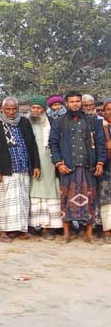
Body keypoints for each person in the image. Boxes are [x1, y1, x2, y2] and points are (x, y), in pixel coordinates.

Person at [49, 92, 105, 244]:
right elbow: (53, 144)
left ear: (81, 103)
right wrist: (59, 163)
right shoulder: (58, 122)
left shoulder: (93, 121)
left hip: (89, 167)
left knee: (90, 201)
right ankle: (66, 234)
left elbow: (100, 143)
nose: (75, 104)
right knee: (66, 200)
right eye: (71, 101)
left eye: (77, 101)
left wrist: (100, 162)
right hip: (68, 168)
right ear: (66, 103)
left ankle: (89, 235)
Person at [0, 97, 41, 243]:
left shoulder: (24, 122)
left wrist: (36, 165)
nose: (11, 112)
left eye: (14, 109)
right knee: (5, 201)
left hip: (23, 167)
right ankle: (3, 231)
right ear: (2, 109)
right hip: (5, 170)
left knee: (22, 200)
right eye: (8, 109)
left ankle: (22, 230)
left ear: (18, 109)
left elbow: (32, 144)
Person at [26, 96, 62, 240]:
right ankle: (31, 226)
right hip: (30, 163)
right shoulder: (24, 123)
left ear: (44, 109)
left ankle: (47, 228)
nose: (35, 110)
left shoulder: (52, 123)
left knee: (49, 192)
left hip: (49, 163)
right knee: (31, 192)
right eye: (33, 107)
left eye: (38, 108)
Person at [98, 98, 111, 244]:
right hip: (106, 167)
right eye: (108, 109)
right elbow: (106, 147)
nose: (110, 112)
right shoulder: (100, 126)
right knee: (106, 200)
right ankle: (106, 230)